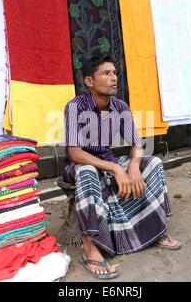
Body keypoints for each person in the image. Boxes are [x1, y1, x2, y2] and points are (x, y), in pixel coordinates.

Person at [63, 55, 181, 280]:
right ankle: (90, 247)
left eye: (115, 73)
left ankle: (154, 228)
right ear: (89, 81)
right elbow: (75, 153)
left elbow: (137, 144)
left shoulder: (120, 107)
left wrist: (134, 165)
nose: (114, 78)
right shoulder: (75, 107)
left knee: (153, 163)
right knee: (88, 172)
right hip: (80, 165)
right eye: (106, 73)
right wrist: (117, 169)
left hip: (108, 163)